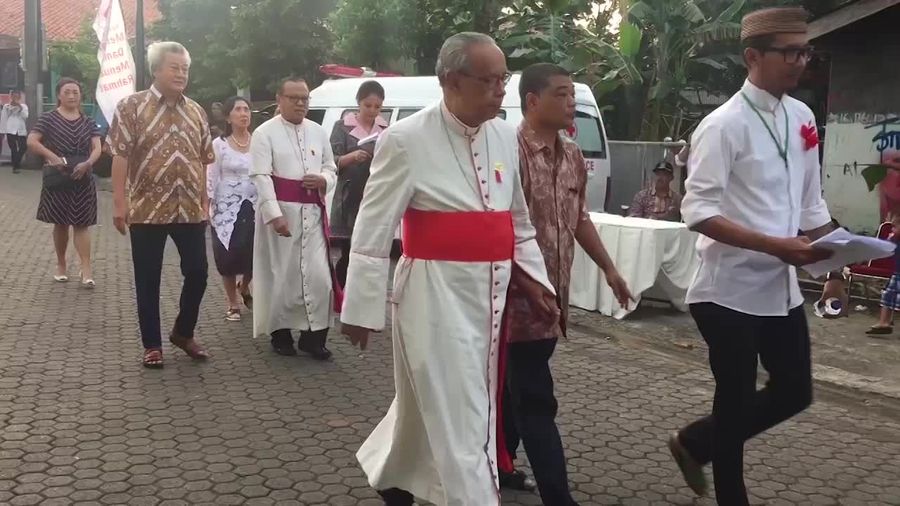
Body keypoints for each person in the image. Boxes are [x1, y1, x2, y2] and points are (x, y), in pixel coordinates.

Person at [340, 32, 557, 506]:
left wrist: (537, 281)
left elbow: (515, 220)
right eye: (490, 80)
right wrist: (359, 307)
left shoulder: (504, 134)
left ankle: (395, 482)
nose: (502, 90)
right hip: (431, 299)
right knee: (465, 415)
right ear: (450, 81)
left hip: (490, 300)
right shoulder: (404, 139)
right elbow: (372, 229)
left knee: (428, 411)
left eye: (505, 78)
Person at [669, 8, 837, 505]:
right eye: (790, 51)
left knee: (795, 392)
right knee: (737, 399)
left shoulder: (801, 117)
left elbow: (811, 204)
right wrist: (776, 246)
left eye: (805, 51)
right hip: (728, 290)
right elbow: (697, 212)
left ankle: (695, 441)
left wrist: (834, 263)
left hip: (780, 288)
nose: (800, 61)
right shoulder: (722, 126)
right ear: (752, 56)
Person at [497, 63, 633, 506]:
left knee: (516, 387)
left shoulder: (572, 153)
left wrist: (610, 269)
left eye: (572, 94)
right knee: (535, 397)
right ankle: (558, 495)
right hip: (513, 300)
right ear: (533, 101)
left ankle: (501, 464)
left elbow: (579, 218)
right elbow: (498, 227)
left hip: (554, 299)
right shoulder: (507, 150)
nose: (571, 102)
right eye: (562, 94)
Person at [107, 41, 214, 369]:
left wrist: (206, 198)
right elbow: (120, 155)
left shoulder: (196, 110)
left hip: (190, 210)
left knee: (198, 272)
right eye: (174, 67)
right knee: (148, 278)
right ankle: (152, 345)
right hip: (147, 209)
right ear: (156, 70)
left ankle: (183, 332)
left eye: (185, 68)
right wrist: (119, 203)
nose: (181, 74)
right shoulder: (131, 107)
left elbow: (204, 158)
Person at [250, 76, 338, 360]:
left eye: (305, 98)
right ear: (279, 98)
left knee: (319, 278)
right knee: (282, 277)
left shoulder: (318, 131)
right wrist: (274, 215)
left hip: (312, 214)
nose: (301, 103)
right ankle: (281, 335)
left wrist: (323, 178)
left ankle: (314, 339)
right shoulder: (264, 133)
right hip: (282, 213)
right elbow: (261, 176)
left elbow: (331, 167)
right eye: (294, 98)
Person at [28, 78, 102, 286]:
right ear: (59, 95)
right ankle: (61, 264)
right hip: (58, 176)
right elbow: (32, 141)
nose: (71, 96)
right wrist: (52, 157)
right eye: (67, 92)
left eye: (75, 92)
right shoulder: (48, 118)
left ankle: (86, 269)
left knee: (82, 223)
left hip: (82, 175)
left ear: (80, 96)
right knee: (60, 222)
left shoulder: (88, 121)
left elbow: (97, 147)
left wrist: (88, 163)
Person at [330, 80, 388, 287]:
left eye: (377, 107)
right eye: (367, 105)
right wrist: (351, 157)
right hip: (349, 196)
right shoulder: (342, 127)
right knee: (348, 250)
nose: (372, 111)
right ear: (358, 103)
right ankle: (340, 292)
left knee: (368, 249)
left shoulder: (385, 129)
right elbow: (329, 161)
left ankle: (360, 290)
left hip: (373, 193)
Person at [208, 96, 257, 322]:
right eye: (238, 109)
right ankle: (232, 303)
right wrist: (207, 207)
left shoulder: (259, 142)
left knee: (255, 254)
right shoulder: (219, 145)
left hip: (255, 205)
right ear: (228, 116)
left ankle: (244, 285)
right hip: (226, 208)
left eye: (246, 109)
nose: (243, 113)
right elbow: (210, 176)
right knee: (228, 256)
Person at [866, 213, 900, 335]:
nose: (892, 229)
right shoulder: (895, 239)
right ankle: (884, 323)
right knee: (888, 296)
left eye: (895, 227)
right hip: (897, 273)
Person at [3, 90, 29, 173]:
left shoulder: (24, 106)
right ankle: (15, 167)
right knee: (13, 148)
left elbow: (25, 116)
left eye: (17, 96)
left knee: (23, 147)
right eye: (14, 96)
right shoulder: (6, 106)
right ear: (11, 97)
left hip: (20, 129)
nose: (15, 98)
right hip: (10, 129)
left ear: (20, 97)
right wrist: (2, 131)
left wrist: (19, 107)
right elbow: (4, 118)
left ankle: (16, 162)